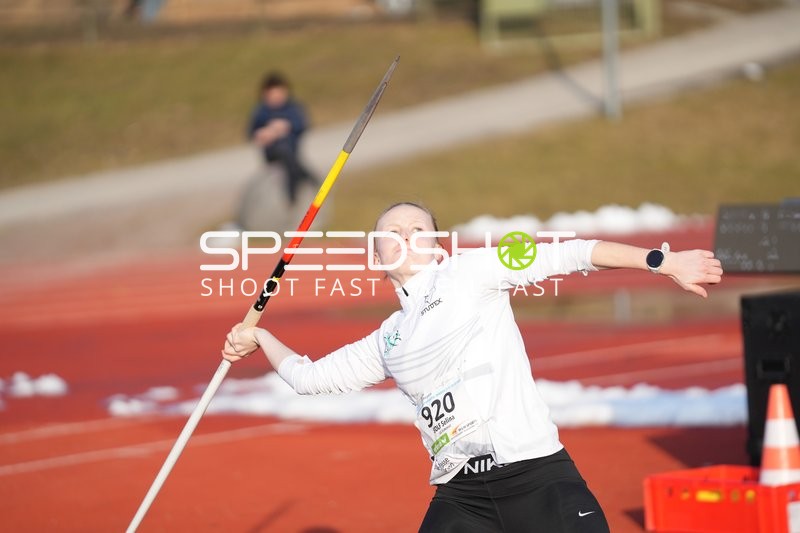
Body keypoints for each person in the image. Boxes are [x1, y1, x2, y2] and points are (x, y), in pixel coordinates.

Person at [221, 202, 724, 532]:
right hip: (462, 499)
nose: (403, 235)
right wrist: (260, 335)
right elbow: (311, 379)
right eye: (390, 232)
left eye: (416, 227)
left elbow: (571, 253)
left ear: (437, 245)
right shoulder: (389, 339)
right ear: (377, 255)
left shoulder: (471, 271)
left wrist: (662, 261)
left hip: (537, 479)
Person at [247, 72, 316, 205]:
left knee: (290, 156)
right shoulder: (261, 112)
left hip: (293, 151)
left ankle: (303, 186)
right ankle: (298, 189)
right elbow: (251, 132)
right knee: (283, 150)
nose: (277, 97)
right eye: (272, 95)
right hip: (273, 153)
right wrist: (264, 133)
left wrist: (286, 126)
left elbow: (303, 124)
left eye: (280, 93)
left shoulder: (293, 108)